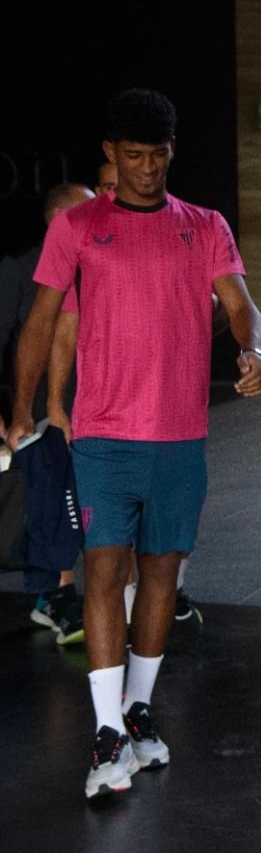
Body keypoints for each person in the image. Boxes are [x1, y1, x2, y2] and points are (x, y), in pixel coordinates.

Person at [5, 88, 261, 800]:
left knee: (159, 573)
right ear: (109, 157)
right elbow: (40, 322)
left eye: (157, 156)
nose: (146, 169)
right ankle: (105, 729)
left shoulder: (205, 224)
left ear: (171, 153)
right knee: (102, 572)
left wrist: (255, 351)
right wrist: (20, 406)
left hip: (180, 436)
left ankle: (140, 706)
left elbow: (242, 304)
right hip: (102, 435)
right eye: (132, 157)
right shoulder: (80, 226)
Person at [0, 182, 95, 645]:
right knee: (50, 507)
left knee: (77, 508)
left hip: (94, 409)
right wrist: (9, 418)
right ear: (61, 220)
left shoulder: (96, 266)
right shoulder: (18, 270)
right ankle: (54, 598)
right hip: (40, 415)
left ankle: (59, 597)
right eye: (88, 209)